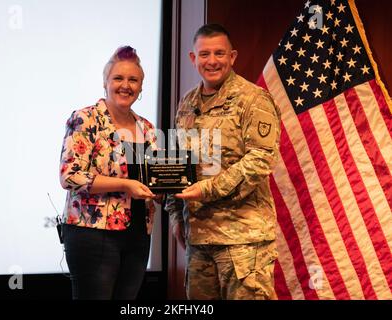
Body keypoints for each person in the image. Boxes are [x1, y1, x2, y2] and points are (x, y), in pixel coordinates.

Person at [165, 24, 281, 300]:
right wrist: (173, 214)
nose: (212, 61)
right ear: (193, 59)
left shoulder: (253, 99)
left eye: (220, 53)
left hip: (243, 242)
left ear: (233, 56)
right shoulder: (187, 102)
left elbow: (261, 159)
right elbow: (175, 160)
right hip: (199, 240)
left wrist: (208, 189)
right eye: (204, 54)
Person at [59, 46, 158, 300]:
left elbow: (153, 176)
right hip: (92, 234)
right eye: (118, 78)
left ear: (141, 87)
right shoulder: (85, 119)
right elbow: (70, 175)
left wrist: (164, 189)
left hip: (137, 234)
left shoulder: (147, 128)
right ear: (105, 82)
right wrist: (126, 185)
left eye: (133, 80)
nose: (126, 85)